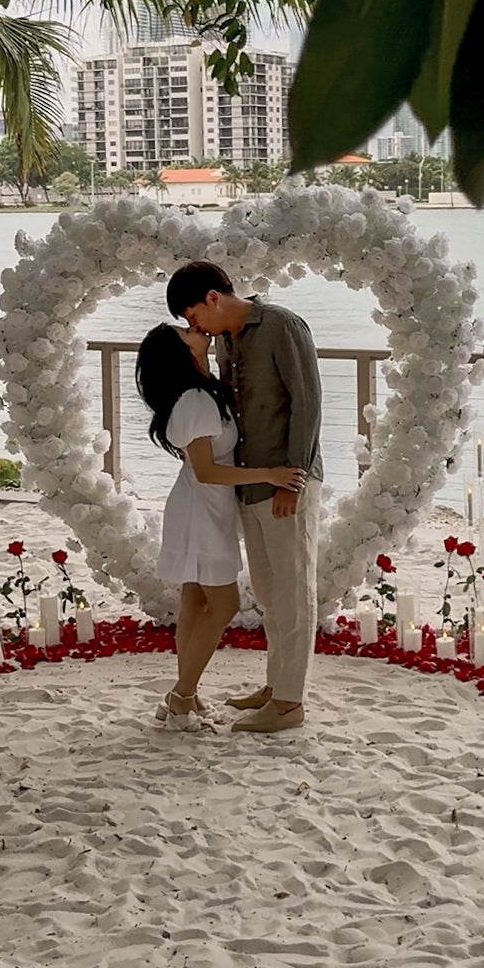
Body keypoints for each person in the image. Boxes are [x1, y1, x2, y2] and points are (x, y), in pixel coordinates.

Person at [166, 261, 323, 734]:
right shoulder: (229, 343)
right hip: (250, 483)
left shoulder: (281, 325)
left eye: (195, 318)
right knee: (272, 594)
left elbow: (307, 403)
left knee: (294, 592)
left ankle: (290, 703)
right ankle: (277, 687)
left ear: (213, 298)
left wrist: (290, 481)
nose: (197, 329)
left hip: (285, 481)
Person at [135, 322, 305, 732]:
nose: (195, 329)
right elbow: (208, 471)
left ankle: (186, 695)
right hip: (202, 509)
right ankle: (180, 695)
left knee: (195, 601)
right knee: (224, 604)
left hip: (207, 506)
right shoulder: (195, 399)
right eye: (185, 332)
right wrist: (273, 473)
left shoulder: (203, 389)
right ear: (179, 353)